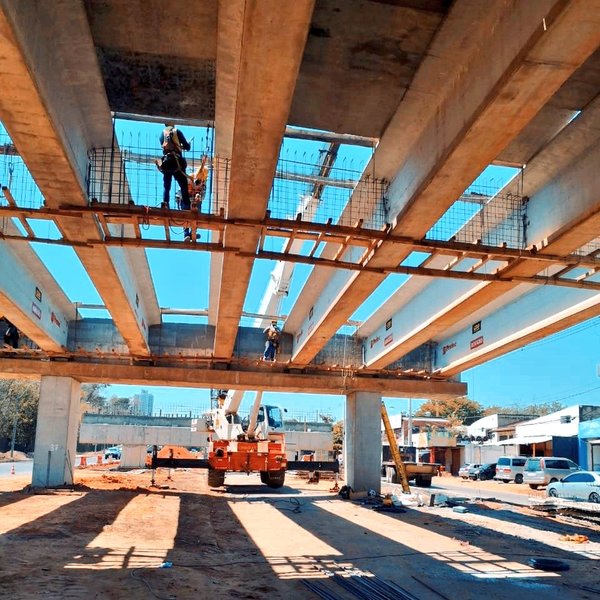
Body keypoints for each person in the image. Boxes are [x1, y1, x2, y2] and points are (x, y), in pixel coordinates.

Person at [158, 123, 192, 239]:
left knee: (166, 186)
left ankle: (165, 203)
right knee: (183, 187)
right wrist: (185, 144)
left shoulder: (161, 135)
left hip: (166, 162)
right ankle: (187, 206)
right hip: (177, 161)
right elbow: (187, 147)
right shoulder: (177, 132)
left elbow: (164, 148)